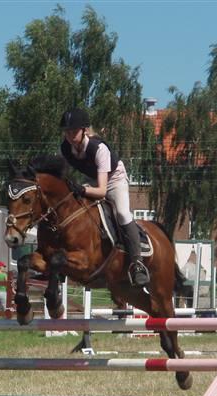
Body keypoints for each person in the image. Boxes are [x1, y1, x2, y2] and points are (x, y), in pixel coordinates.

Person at [59, 107, 150, 286]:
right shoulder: (65, 148)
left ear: (84, 130)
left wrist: (82, 190)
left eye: (74, 131)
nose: (70, 135)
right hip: (92, 180)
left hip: (114, 180)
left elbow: (101, 191)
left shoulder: (99, 148)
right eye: (67, 132)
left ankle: (137, 263)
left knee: (122, 213)